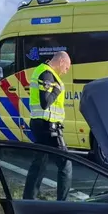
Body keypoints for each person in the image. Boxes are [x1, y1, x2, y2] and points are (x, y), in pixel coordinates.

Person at [22, 51, 73, 201]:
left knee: (39, 163)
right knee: (65, 164)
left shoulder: (43, 70)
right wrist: (57, 90)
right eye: (67, 67)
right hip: (48, 127)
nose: (67, 70)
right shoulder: (46, 74)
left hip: (41, 124)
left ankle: (29, 200)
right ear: (61, 61)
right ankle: (63, 203)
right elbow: (45, 103)